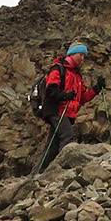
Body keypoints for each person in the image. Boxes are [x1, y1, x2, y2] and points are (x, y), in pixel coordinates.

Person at [34, 44, 105, 173]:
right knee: (67, 136)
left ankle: (36, 174)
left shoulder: (77, 75)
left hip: (67, 112)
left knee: (53, 146)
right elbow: (50, 91)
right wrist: (65, 96)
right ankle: (65, 168)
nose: (82, 58)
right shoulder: (59, 69)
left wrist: (96, 88)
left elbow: (82, 98)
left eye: (84, 56)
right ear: (72, 54)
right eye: (80, 55)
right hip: (57, 110)